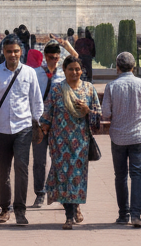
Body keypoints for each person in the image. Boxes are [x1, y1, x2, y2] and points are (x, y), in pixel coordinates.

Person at [0, 35, 43, 225]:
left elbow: (36, 101)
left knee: (22, 169)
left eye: (16, 51)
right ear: (3, 52)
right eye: (9, 51)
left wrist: (38, 125)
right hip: (0, 130)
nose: (13, 54)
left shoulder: (30, 73)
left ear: (21, 51)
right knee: (2, 171)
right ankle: (5, 208)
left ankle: (20, 210)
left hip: (23, 128)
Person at [38, 54, 101, 229]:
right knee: (63, 177)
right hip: (59, 143)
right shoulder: (57, 90)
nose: (74, 72)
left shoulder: (89, 89)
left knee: (77, 178)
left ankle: (73, 212)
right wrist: (42, 129)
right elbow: (47, 113)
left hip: (80, 143)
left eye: (77, 69)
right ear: (64, 71)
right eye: (71, 69)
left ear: (82, 71)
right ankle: (69, 214)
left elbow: (98, 117)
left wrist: (88, 110)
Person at [101, 51, 141, 227]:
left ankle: (124, 214)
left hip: (118, 136)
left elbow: (106, 113)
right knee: (137, 174)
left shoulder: (112, 86)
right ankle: (136, 215)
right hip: (138, 134)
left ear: (117, 67)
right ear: (134, 67)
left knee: (121, 175)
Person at [30, 36, 78, 208]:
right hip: (40, 122)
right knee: (39, 161)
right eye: (51, 57)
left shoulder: (65, 72)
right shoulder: (35, 73)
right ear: (45, 56)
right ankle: (40, 193)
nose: (54, 60)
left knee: (58, 158)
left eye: (57, 57)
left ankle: (54, 189)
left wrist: (67, 45)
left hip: (59, 123)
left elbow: (76, 60)